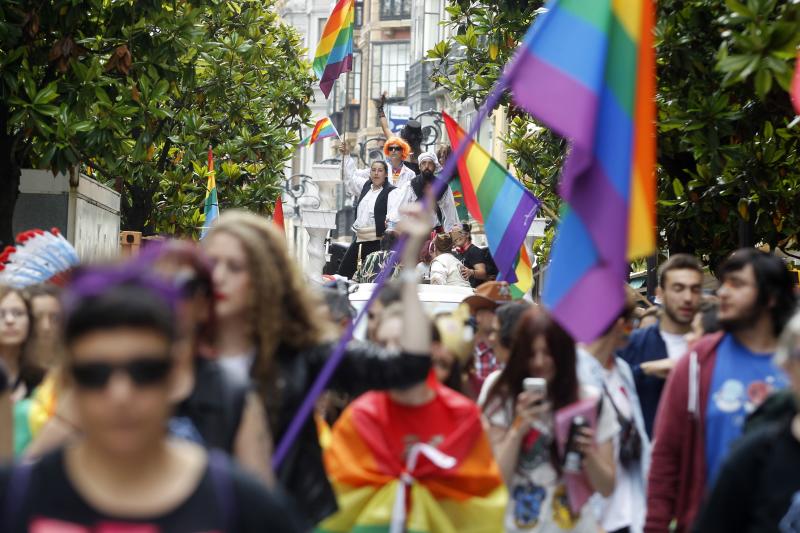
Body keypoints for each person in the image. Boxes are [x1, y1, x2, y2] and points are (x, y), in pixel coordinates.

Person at [0, 267, 302, 532]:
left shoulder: (247, 506)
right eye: (96, 373)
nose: (121, 394)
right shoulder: (14, 496)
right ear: (68, 380)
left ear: (176, 372)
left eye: (144, 371)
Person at [202, 210, 433, 526]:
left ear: (264, 279)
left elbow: (408, 368)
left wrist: (408, 272)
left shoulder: (300, 352)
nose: (218, 277)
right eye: (211, 264)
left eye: (235, 267)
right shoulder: (176, 353)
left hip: (284, 517)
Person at [23, 242, 276, 486]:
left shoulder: (231, 394)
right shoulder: (94, 385)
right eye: (157, 282)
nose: (121, 392)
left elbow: (261, 505)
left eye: (186, 286)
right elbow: (29, 476)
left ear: (205, 304)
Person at [317, 212, 508, 531]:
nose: (398, 355)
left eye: (406, 343)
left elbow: (482, 509)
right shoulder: (360, 419)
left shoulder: (462, 417)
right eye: (387, 346)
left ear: (426, 350)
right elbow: (334, 512)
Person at [646, 248, 798, 533]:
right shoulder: (698, 362)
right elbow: (666, 455)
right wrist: (656, 526)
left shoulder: (794, 363)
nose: (723, 292)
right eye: (725, 282)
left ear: (771, 298)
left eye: (737, 284)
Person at [481, 307, 618, 532]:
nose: (539, 362)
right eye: (531, 354)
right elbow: (493, 482)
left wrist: (588, 452)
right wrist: (517, 429)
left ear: (563, 354)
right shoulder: (502, 399)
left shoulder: (590, 401)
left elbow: (607, 487)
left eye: (548, 353)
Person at [576, 301, 650, 533]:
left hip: (632, 510)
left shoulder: (623, 370)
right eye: (632, 324)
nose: (634, 331)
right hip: (593, 513)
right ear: (620, 325)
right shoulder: (573, 371)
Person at [618, 254, 704, 437]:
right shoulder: (631, 345)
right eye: (678, 288)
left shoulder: (715, 346)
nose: (687, 298)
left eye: (695, 289)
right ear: (660, 294)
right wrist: (645, 370)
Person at [338, 159, 397, 279]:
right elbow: (349, 178)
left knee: (372, 274)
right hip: (360, 238)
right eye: (373, 170)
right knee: (344, 272)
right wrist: (346, 156)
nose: (376, 173)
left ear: (386, 174)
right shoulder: (365, 186)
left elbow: (393, 216)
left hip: (377, 241)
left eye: (380, 170)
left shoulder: (391, 192)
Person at [387, 151, 460, 233]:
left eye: (430, 163)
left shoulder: (444, 188)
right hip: (414, 233)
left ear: (434, 166)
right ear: (420, 166)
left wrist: (451, 233)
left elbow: (450, 213)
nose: (427, 166)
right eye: (424, 163)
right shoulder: (410, 185)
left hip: (436, 233)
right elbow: (399, 210)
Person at [463, 281, 513, 395]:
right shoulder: (465, 353)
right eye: (496, 310)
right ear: (478, 316)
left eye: (507, 310)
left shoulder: (515, 352)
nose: (503, 315)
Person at [452, 223, 490, 288]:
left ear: (467, 234)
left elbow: (483, 273)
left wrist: (471, 272)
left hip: (473, 293)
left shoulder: (474, 251)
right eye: (453, 234)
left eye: (459, 233)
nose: (456, 237)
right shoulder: (457, 253)